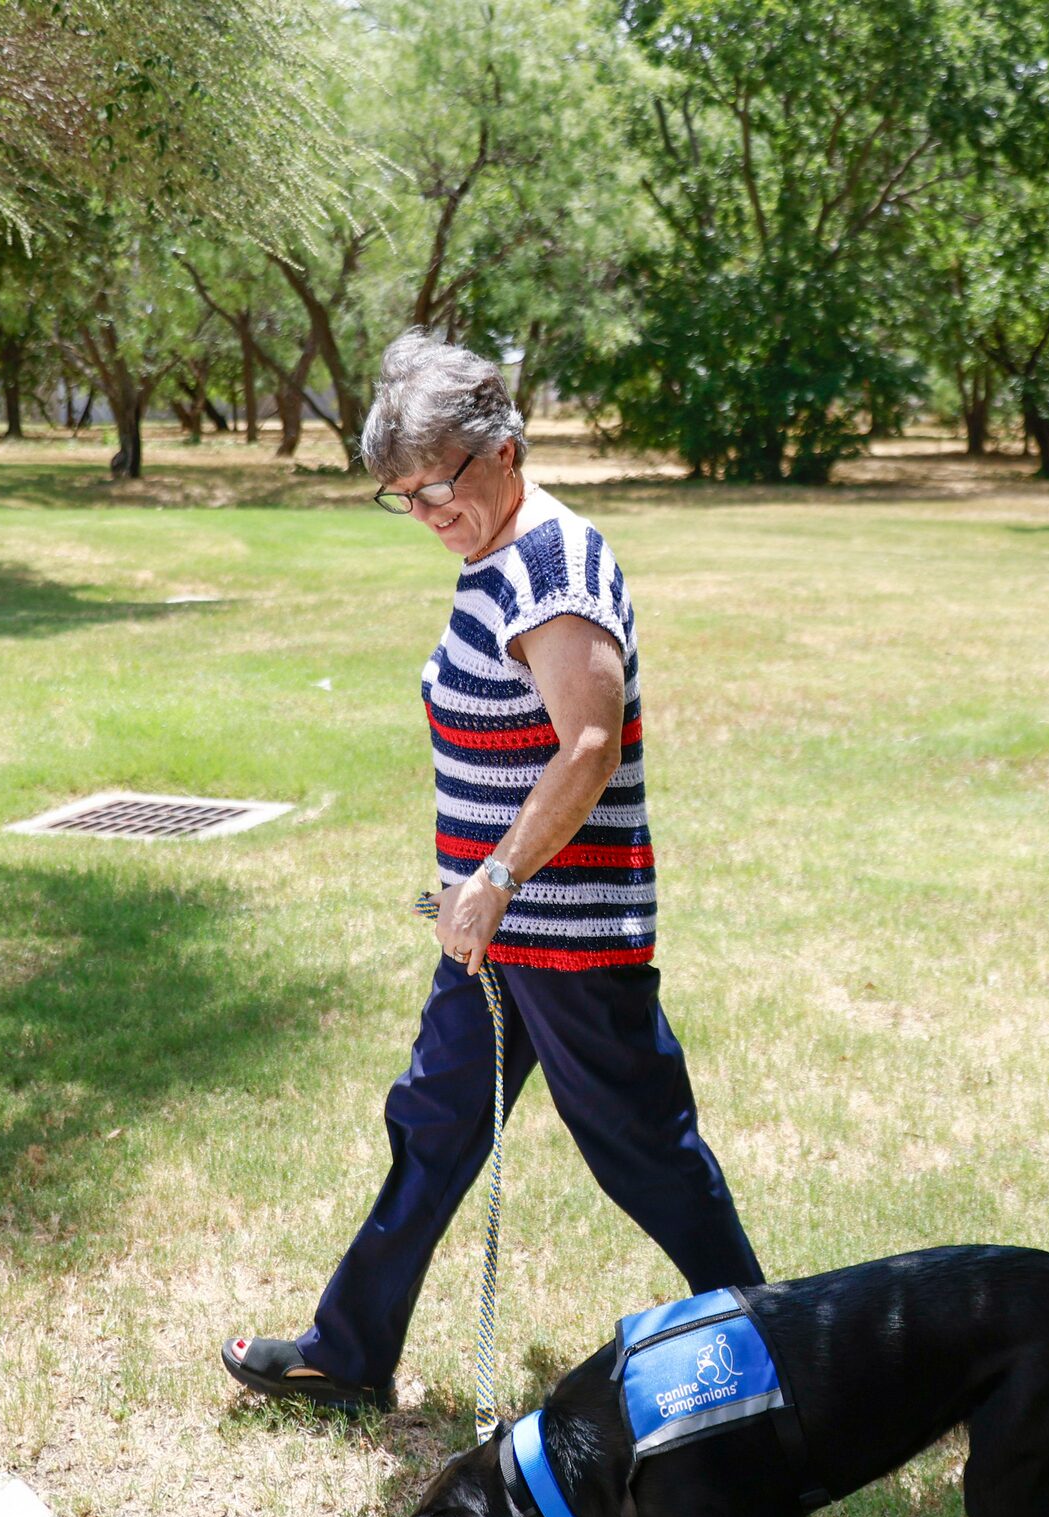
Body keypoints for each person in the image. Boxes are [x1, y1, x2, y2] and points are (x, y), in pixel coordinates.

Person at [223, 331, 762, 1414]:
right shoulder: (500, 553)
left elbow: (587, 745)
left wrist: (497, 877)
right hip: (493, 935)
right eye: (402, 498)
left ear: (505, 452)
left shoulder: (552, 569)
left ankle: (786, 1349)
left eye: (438, 488)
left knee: (643, 1152)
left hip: (557, 932)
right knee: (432, 1122)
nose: (425, 513)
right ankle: (349, 1349)